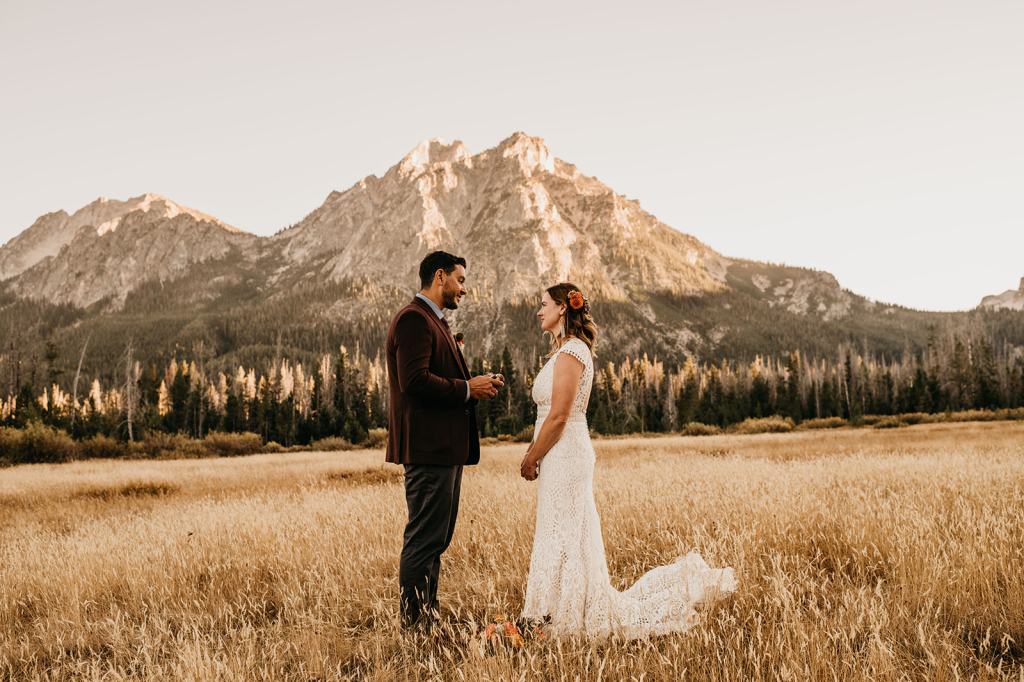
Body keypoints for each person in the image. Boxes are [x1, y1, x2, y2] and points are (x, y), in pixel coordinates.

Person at [518, 283, 737, 639]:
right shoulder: (562, 351)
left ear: (563, 308)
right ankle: (554, 611)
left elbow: (559, 416)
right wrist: (536, 451)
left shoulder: (572, 352)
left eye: (544, 304)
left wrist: (531, 457)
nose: (539, 311)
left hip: (566, 452)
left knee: (568, 531)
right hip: (558, 452)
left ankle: (570, 614)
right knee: (561, 531)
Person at [385, 250, 504, 629]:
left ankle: (427, 618)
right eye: (460, 280)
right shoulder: (413, 319)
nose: (464, 289)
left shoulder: (433, 321)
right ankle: (415, 626)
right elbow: (414, 381)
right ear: (440, 276)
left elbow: (434, 376)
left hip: (442, 449)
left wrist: (475, 384)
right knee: (423, 540)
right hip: (428, 448)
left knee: (435, 540)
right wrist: (468, 388)